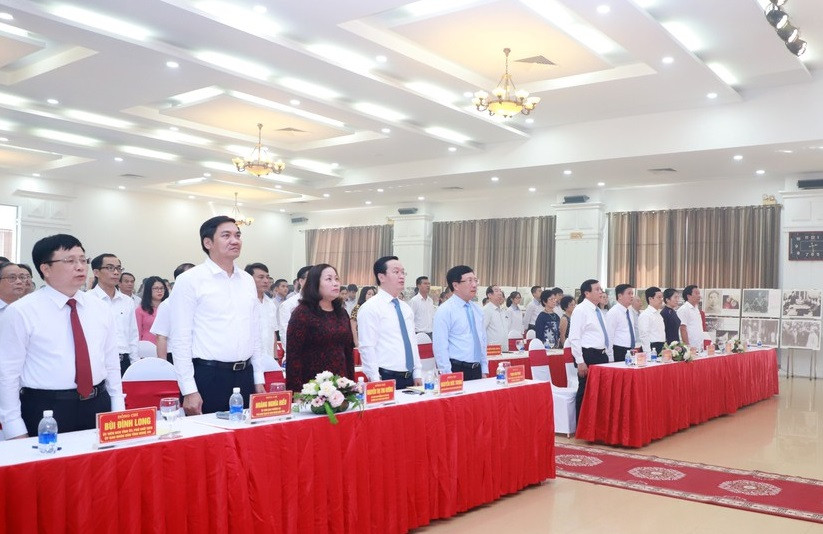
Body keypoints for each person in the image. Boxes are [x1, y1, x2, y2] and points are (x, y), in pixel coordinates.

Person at [0, 234, 125, 439]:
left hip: (98, 404)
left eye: (83, 260)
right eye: (70, 260)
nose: (80, 267)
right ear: (46, 269)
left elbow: (111, 364)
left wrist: (117, 409)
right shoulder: (21, 311)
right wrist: (14, 428)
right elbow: (7, 374)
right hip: (46, 409)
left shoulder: (100, 308)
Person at [168, 216, 264, 415]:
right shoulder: (190, 280)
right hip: (208, 376)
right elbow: (180, 338)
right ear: (208, 243)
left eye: (238, 235)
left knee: (247, 433)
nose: (235, 241)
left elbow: (254, 333)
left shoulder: (247, 280)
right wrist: (189, 390)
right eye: (226, 235)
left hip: (245, 375)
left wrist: (258, 378)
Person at [285, 264, 354, 392]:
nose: (335, 283)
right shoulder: (302, 313)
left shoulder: (341, 313)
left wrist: (351, 384)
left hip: (341, 384)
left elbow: (348, 351)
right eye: (329, 279)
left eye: (337, 279)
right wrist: (296, 392)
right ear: (315, 283)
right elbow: (293, 355)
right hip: (313, 387)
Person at [357, 256, 421, 389]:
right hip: (385, 376)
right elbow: (367, 346)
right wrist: (375, 379)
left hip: (410, 377)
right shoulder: (370, 307)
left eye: (403, 272)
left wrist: (417, 373)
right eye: (396, 272)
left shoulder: (406, 308)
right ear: (381, 277)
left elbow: (412, 341)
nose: (401, 276)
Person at [432, 265, 488, 380]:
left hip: (477, 369)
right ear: (456, 285)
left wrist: (484, 369)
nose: (474, 285)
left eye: (475, 280)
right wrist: (447, 374)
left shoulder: (478, 310)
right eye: (469, 280)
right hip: (456, 369)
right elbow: (440, 346)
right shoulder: (445, 310)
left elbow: (482, 341)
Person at [89, 253, 139, 375]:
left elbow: (132, 335)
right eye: (110, 268)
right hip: (98, 361)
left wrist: (135, 363)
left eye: (118, 268)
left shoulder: (127, 301)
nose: (116, 272)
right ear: (96, 272)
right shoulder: (87, 299)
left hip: (123, 360)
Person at [567, 279, 608, 420]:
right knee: (585, 391)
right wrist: (580, 361)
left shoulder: (598, 311)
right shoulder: (581, 310)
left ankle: (595, 424)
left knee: (600, 392)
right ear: (587, 293)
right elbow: (574, 337)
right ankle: (581, 424)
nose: (600, 292)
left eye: (601, 289)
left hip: (601, 354)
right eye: (597, 289)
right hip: (588, 355)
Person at [150, 263, 194, 362]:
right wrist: (163, 364)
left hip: (199, 356)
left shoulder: (200, 302)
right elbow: (161, 337)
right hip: (176, 355)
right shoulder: (167, 305)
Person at [245, 263, 278, 361]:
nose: (266, 281)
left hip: (268, 358)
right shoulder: (244, 302)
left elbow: (273, 332)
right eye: (261, 277)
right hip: (249, 359)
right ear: (249, 279)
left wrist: (275, 357)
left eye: (267, 277)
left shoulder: (271, 303)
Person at [279, 265, 313, 351]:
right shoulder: (289, 304)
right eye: (312, 278)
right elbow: (285, 333)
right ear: (301, 281)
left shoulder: (324, 303)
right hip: (298, 353)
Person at [605, 284, 637, 362]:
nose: (632, 296)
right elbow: (609, 336)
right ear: (620, 296)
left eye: (632, 293)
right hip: (619, 350)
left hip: (631, 349)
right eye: (629, 293)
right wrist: (610, 356)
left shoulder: (629, 311)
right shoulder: (613, 312)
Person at [135, 275, 168, 343]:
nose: (160, 291)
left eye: (162, 288)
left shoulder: (169, 308)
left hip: (167, 345)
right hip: (147, 346)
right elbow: (137, 333)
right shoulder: (140, 310)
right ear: (148, 290)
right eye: (156, 288)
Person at [638, 287, 666, 354]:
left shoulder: (659, 314)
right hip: (652, 348)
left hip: (661, 347)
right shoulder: (645, 315)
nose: (661, 300)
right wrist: (648, 353)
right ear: (650, 299)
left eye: (662, 297)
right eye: (659, 297)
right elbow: (644, 335)